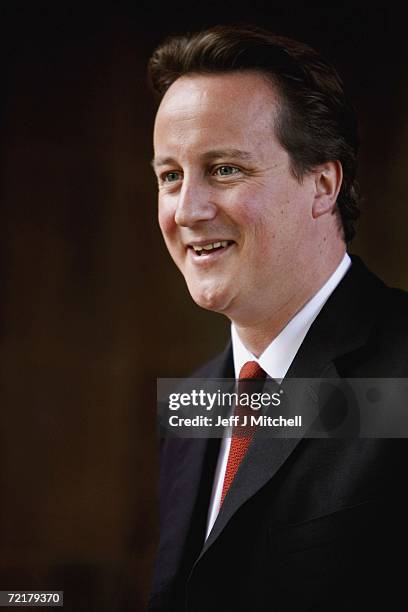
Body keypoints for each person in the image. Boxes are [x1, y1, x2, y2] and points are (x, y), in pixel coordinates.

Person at [148, 25, 408, 611]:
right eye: (170, 176)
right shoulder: (194, 399)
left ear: (322, 184)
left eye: (225, 169)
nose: (188, 210)